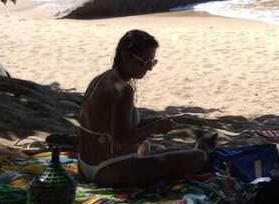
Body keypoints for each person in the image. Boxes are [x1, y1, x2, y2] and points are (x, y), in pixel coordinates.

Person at [77, 29, 214, 186]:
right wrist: (155, 127)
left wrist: (151, 122)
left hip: (85, 164)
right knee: (198, 157)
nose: (148, 69)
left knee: (146, 145)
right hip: (109, 171)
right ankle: (199, 148)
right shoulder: (123, 89)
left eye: (152, 63)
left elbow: (113, 126)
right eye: (145, 63)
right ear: (125, 56)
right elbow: (121, 142)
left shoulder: (102, 78)